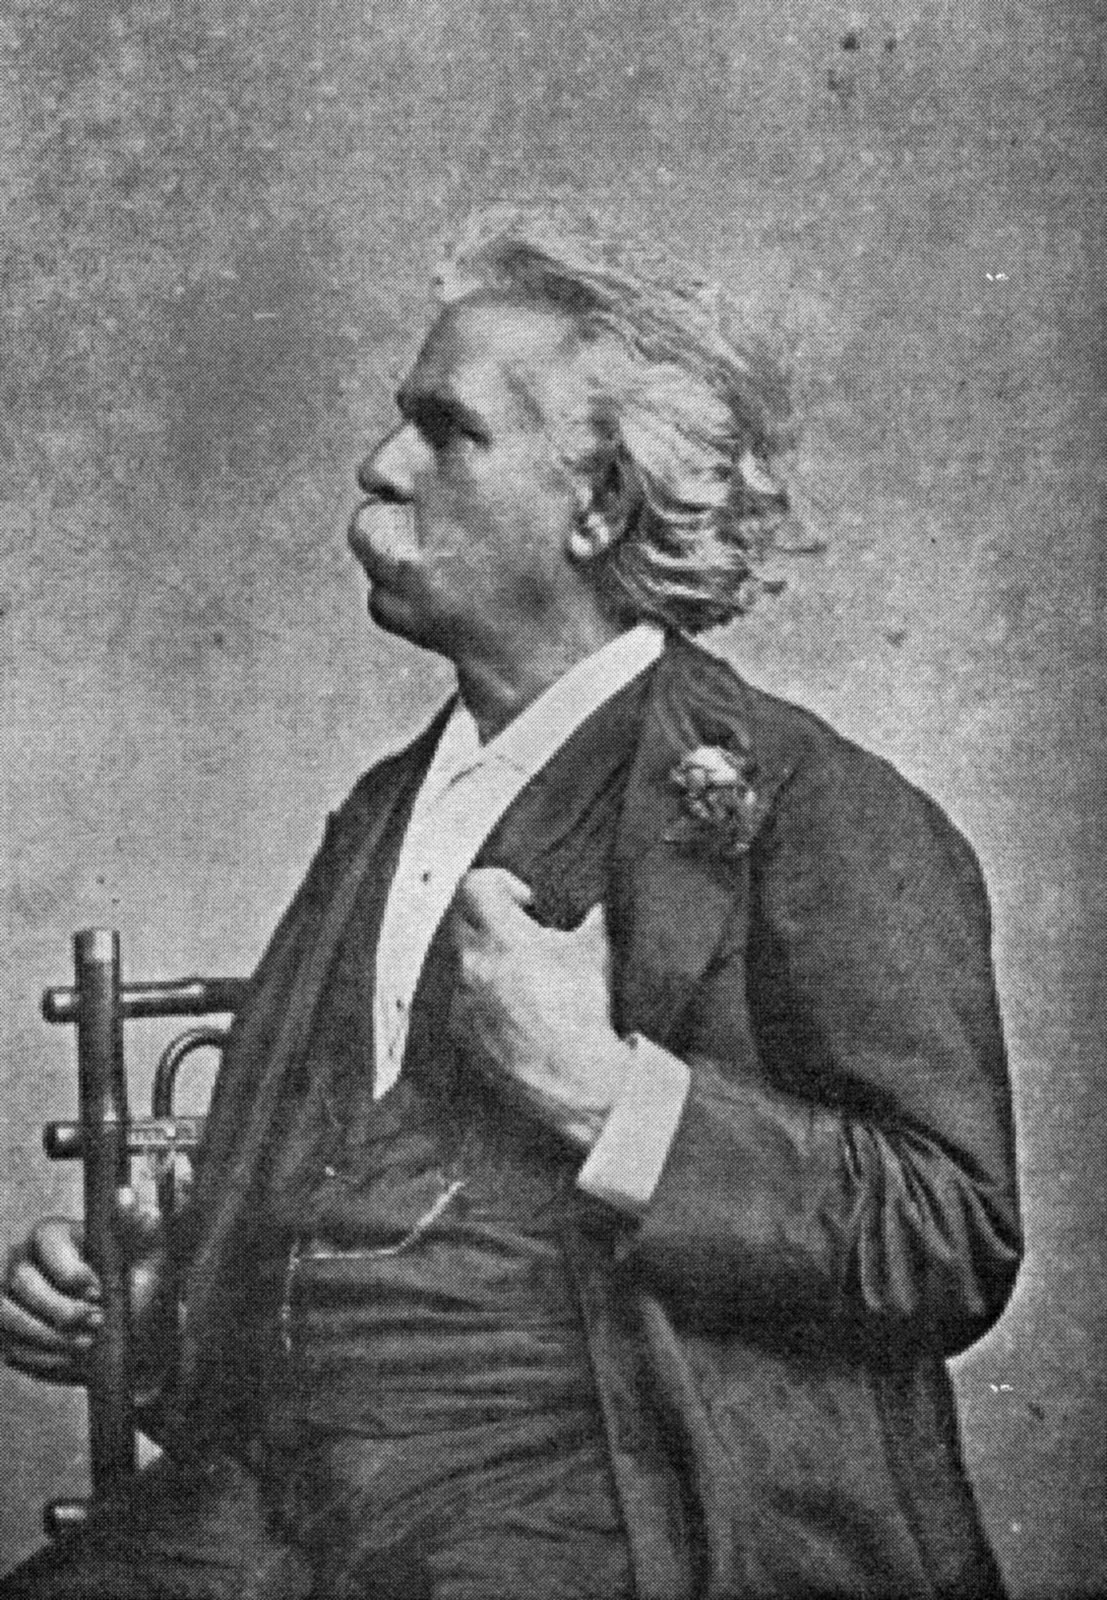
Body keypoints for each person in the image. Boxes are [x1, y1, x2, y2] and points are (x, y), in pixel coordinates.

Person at [0, 205, 1021, 1599]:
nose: (380, 464)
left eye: (447, 430)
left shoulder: (812, 805)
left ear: (596, 506)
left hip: (602, 1502)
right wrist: (148, 1301)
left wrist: (612, 1099)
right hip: (278, 1505)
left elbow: (948, 1235)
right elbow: (315, 1221)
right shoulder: (384, 809)